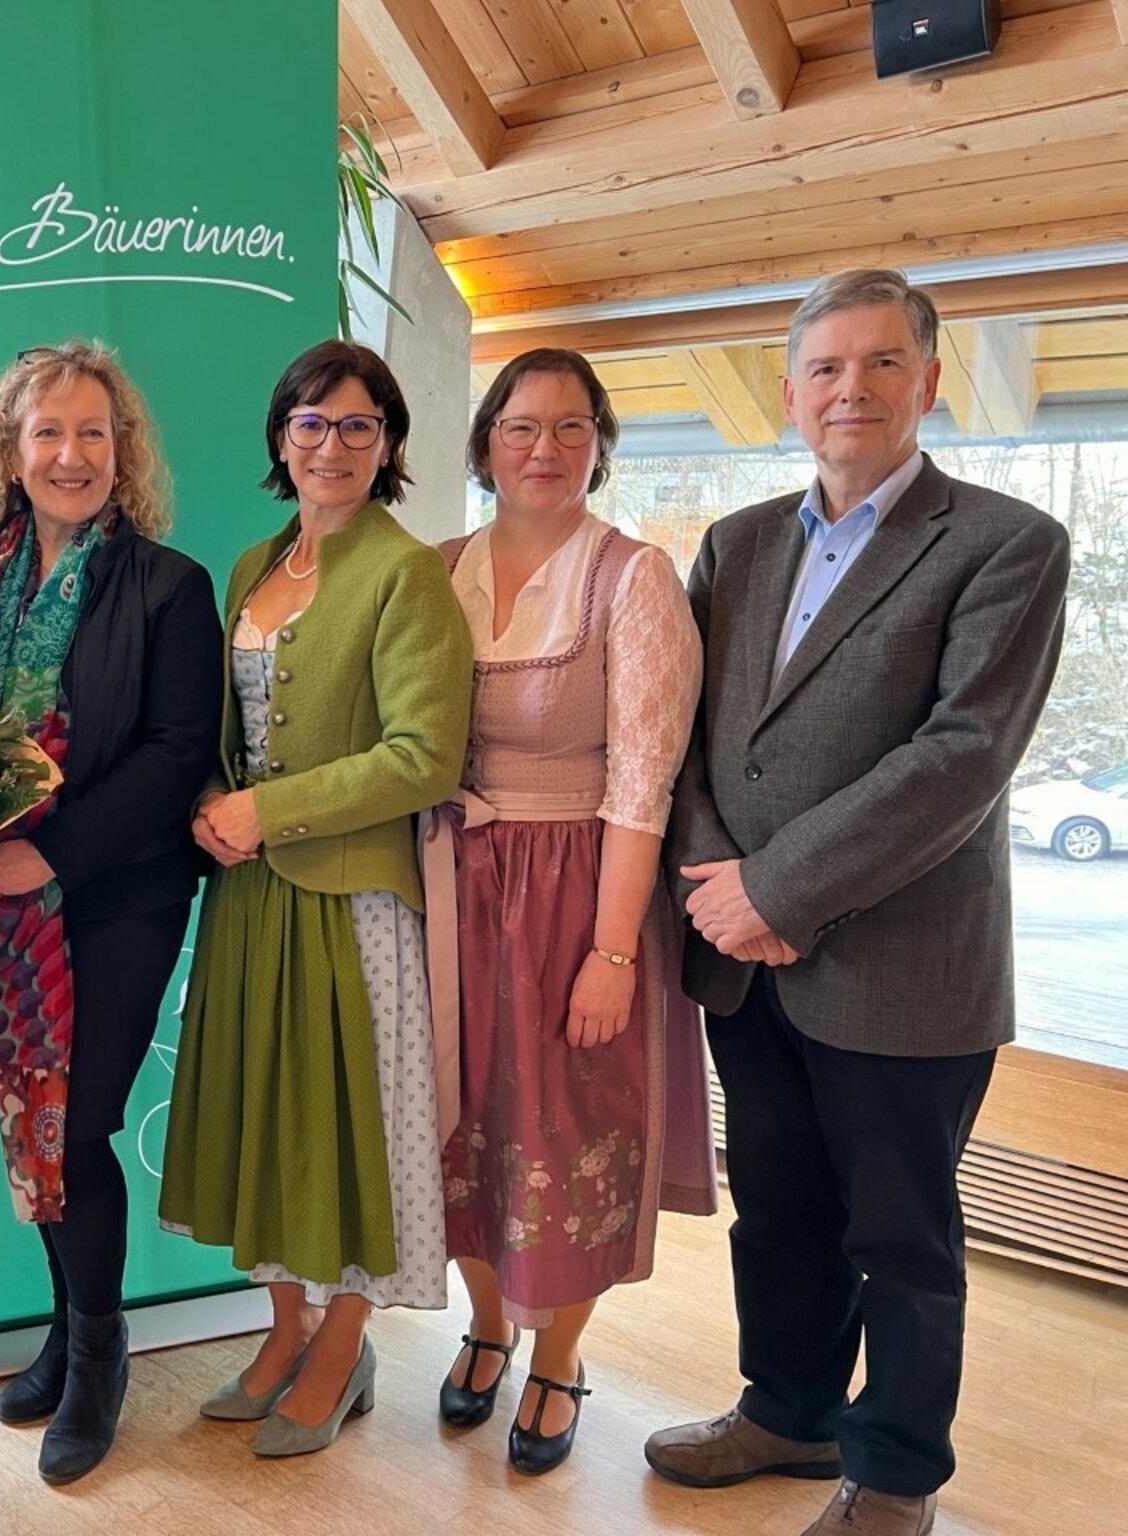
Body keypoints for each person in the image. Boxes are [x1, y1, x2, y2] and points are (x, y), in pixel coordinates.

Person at [651, 268, 1071, 1536]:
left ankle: (892, 1476)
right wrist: (720, 892)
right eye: (825, 367)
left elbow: (959, 759)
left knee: (900, 1240)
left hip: (903, 969)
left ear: (927, 382)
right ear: (787, 393)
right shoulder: (735, 544)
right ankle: (784, 1412)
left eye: (882, 362)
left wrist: (775, 890)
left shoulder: (1006, 544)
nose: (851, 388)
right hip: (741, 955)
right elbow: (684, 735)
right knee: (777, 1213)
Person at [159, 339, 472, 1458]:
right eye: (311, 423)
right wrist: (211, 801)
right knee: (266, 1117)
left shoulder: (406, 572)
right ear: (280, 437)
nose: (331, 445)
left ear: (386, 446)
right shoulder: (253, 562)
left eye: (357, 426)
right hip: (250, 894)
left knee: (349, 1130)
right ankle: (284, 1326)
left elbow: (424, 756)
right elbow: (221, 731)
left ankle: (344, 1344)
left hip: (351, 898)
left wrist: (270, 811)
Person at [0, 342, 222, 1484]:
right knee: (27, 1120)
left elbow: (174, 757)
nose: (71, 454)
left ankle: (100, 1356)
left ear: (122, 451)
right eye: (47, 432)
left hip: (116, 898)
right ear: (10, 454)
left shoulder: (169, 586)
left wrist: (42, 854)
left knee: (78, 1121)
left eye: (92, 433)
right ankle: (64, 1330)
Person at [430, 348, 716, 1476]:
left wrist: (611, 951)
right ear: (485, 444)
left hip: (578, 891)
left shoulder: (633, 579)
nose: (542, 449)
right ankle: (487, 1324)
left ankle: (558, 1355)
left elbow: (644, 780)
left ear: (598, 446)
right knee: (464, 1122)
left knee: (563, 1127)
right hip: (452, 884)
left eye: (568, 428)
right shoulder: (438, 568)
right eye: (519, 426)